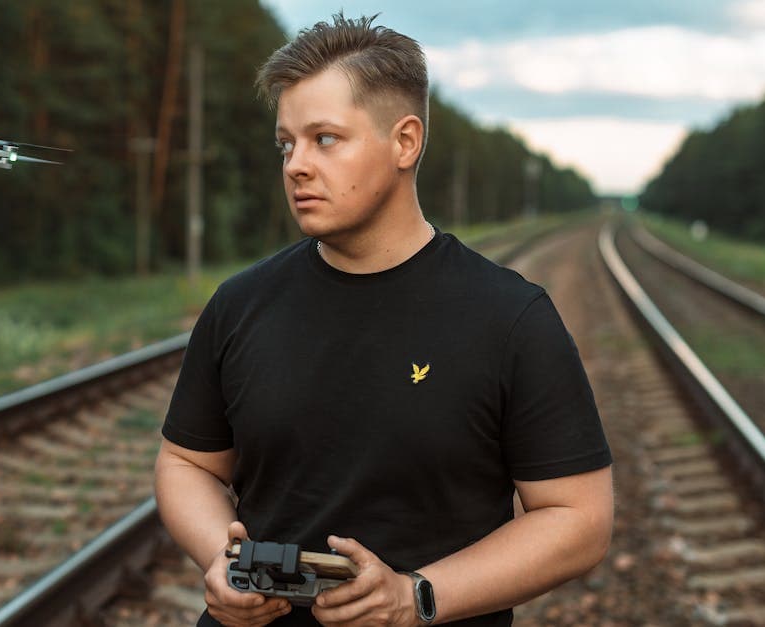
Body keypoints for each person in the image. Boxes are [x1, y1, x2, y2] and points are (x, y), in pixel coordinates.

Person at [154, 13, 613, 627]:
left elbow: (579, 520)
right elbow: (187, 463)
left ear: (405, 142)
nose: (295, 165)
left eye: (325, 139)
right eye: (286, 143)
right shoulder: (239, 303)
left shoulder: (510, 318)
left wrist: (417, 596)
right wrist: (222, 560)